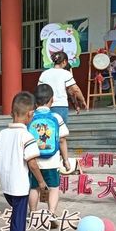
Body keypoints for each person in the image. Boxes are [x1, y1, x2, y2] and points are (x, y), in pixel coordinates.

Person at [0, 92, 47, 231]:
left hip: (6, 185)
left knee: (15, 214)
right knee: (19, 218)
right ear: (31, 114)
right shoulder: (26, 136)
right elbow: (32, 164)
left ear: (11, 112)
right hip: (19, 187)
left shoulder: (3, 133)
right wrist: (41, 181)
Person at [28, 84, 70, 223]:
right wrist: (66, 159)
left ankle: (33, 214)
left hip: (33, 161)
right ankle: (51, 214)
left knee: (34, 188)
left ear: (35, 102)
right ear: (52, 100)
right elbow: (62, 139)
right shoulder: (56, 117)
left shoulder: (30, 116)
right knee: (53, 188)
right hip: (52, 161)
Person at [38, 51, 87, 124]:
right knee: (61, 131)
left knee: (47, 131)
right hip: (60, 106)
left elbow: (39, 90)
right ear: (64, 61)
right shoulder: (66, 73)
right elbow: (75, 90)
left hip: (45, 106)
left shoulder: (44, 74)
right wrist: (82, 100)